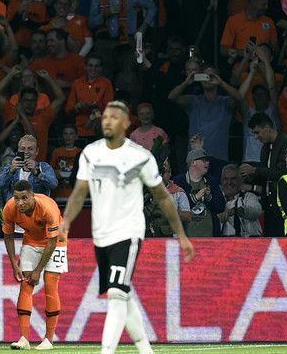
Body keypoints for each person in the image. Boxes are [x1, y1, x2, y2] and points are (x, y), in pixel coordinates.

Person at [60, 100, 194, 354]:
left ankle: (106, 351)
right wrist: (66, 221)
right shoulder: (91, 153)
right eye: (105, 117)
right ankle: (146, 350)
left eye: (113, 117)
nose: (107, 121)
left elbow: (163, 196)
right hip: (101, 233)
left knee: (115, 293)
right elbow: (79, 193)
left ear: (126, 123)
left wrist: (182, 234)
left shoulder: (139, 156)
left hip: (128, 231)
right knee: (122, 291)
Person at [2, 180, 67, 350]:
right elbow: (8, 236)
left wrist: (38, 270)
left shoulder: (47, 208)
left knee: (50, 285)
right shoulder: (9, 208)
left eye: (24, 198)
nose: (20, 203)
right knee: (26, 285)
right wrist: (14, 265)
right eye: (17, 198)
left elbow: (52, 242)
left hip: (57, 242)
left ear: (32, 196)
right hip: (31, 241)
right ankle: (24, 339)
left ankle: (48, 340)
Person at [239, 112, 287, 237]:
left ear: (266, 128)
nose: (256, 137)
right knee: (269, 239)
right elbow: (266, 174)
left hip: (283, 204)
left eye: (257, 132)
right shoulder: (265, 147)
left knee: (282, 241)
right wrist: (248, 176)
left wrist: (254, 170)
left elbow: (282, 172)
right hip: (269, 203)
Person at [172, 148, 225, 237]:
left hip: (210, 239)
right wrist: (195, 198)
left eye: (208, 160)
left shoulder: (212, 181)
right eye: (204, 160)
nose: (207, 162)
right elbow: (174, 209)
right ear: (193, 162)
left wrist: (209, 197)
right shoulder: (178, 182)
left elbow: (221, 207)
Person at [0, 134, 58, 203]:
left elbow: (53, 184)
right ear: (18, 151)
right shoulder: (10, 168)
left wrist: (37, 172)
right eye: (23, 149)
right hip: (15, 210)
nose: (26, 152)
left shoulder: (44, 167)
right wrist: (10, 171)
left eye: (30, 149)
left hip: (37, 210)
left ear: (36, 151)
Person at [219, 164, 263, 237]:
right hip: (222, 243)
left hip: (247, 242)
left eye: (233, 179)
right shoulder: (216, 199)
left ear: (241, 181)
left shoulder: (248, 197)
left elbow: (256, 210)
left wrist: (241, 211)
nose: (229, 182)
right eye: (225, 179)